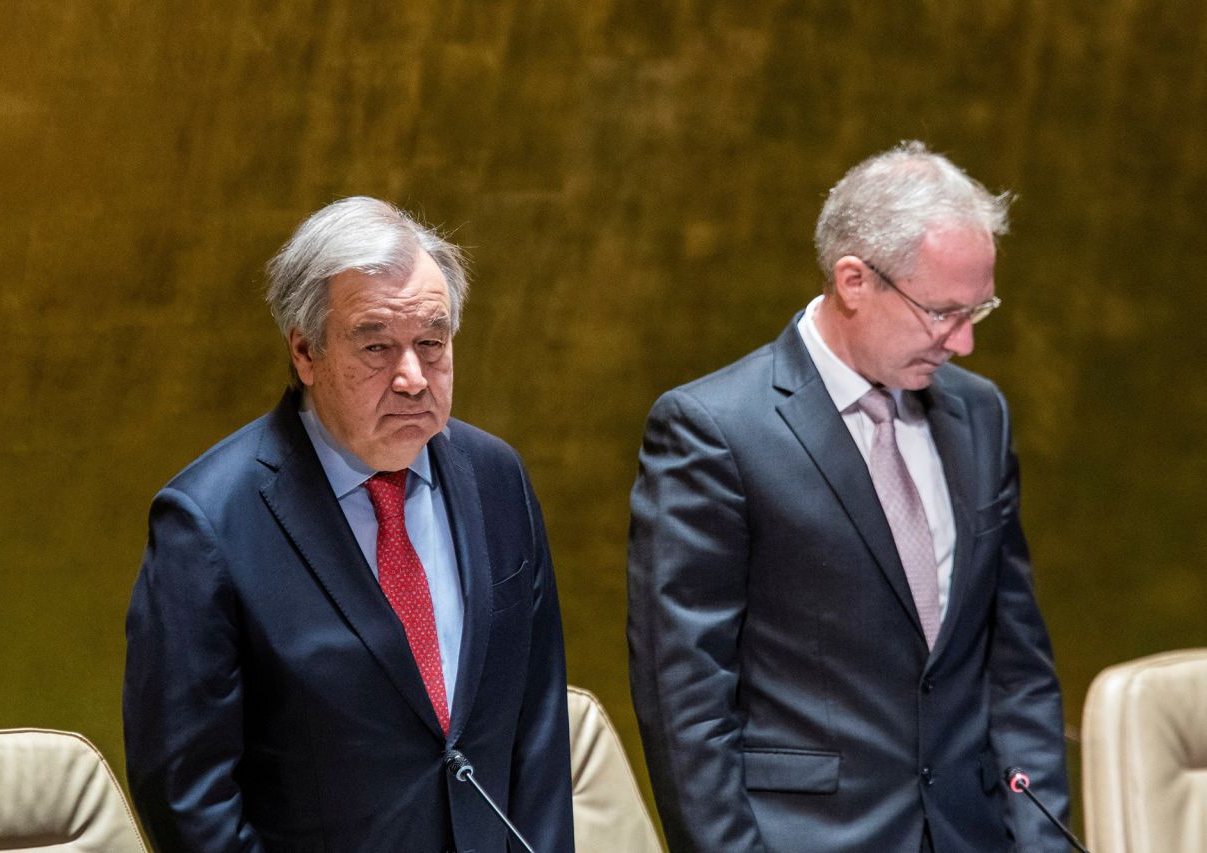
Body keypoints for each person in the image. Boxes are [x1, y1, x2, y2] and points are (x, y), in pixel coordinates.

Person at [627, 142, 1070, 852]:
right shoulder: (714, 430)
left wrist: (1042, 839)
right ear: (854, 280)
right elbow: (683, 698)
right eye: (943, 312)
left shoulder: (980, 414)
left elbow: (1015, 665)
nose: (965, 342)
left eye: (979, 308)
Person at [124, 197, 574, 852]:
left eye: (431, 341)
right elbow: (187, 795)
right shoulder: (208, 523)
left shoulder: (496, 478)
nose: (414, 377)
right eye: (376, 346)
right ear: (305, 351)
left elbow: (536, 732)